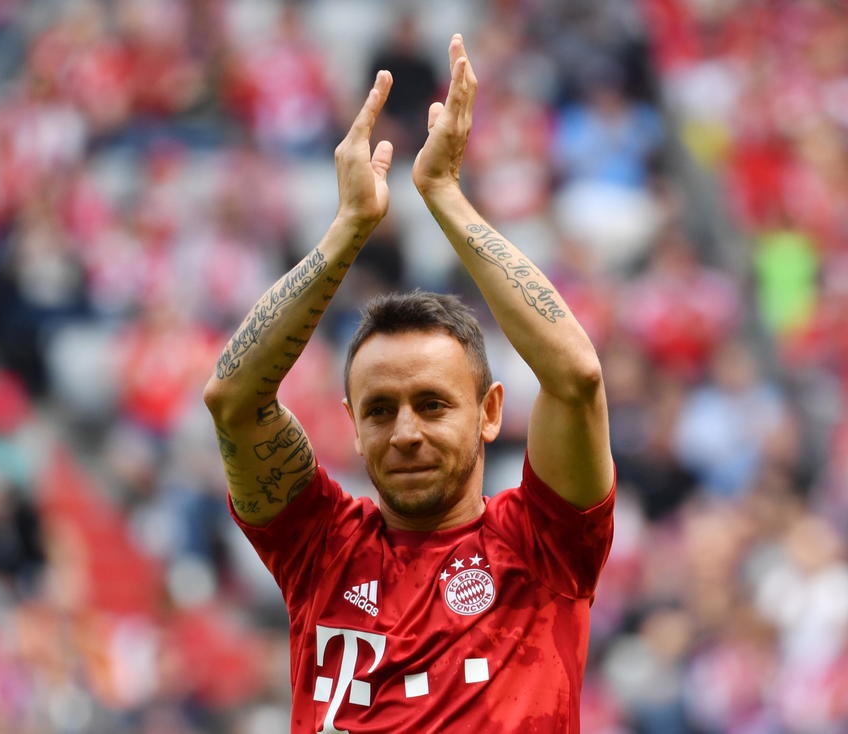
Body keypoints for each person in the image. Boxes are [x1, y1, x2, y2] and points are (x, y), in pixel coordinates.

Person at [203, 34, 614, 734]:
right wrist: (348, 228)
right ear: (352, 424)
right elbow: (233, 399)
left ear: (489, 412)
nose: (405, 433)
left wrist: (445, 195)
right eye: (380, 410)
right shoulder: (320, 549)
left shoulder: (543, 545)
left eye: (432, 404)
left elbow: (575, 375)